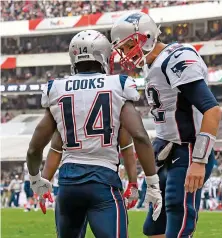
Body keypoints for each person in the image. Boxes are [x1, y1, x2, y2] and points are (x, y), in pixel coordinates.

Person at [26, 29, 162, 238]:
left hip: (69, 185)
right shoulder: (118, 85)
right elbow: (140, 136)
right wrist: (152, 184)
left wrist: (37, 179)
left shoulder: (57, 88)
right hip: (103, 183)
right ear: (103, 56)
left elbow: (36, 146)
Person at [111, 12, 222, 238]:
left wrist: (199, 161)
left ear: (147, 36)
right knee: (153, 226)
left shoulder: (176, 58)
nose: (125, 54)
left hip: (188, 149)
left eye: (128, 45)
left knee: (177, 212)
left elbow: (212, 111)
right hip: (166, 148)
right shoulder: (152, 63)